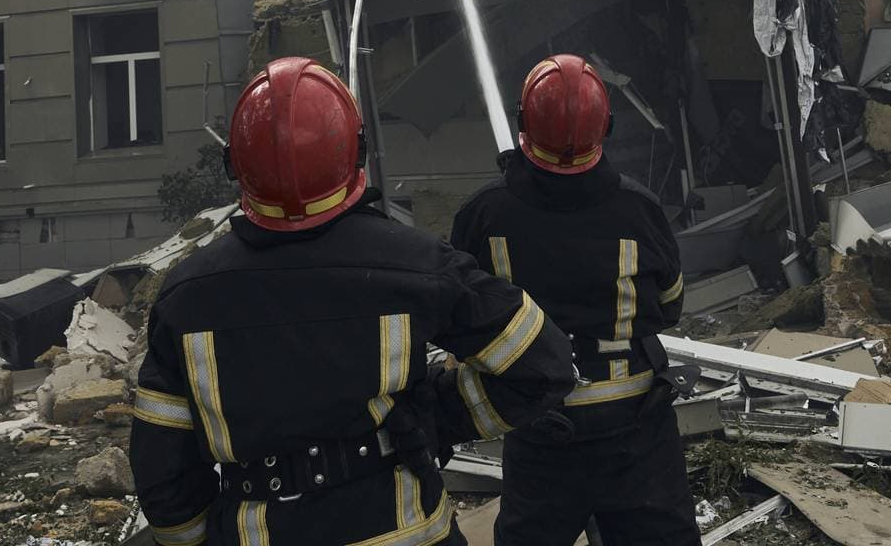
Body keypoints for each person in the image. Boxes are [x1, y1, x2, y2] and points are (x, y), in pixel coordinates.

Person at [130, 57, 576, 546]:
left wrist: (196, 537)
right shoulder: (415, 264)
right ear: (354, 152)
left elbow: (162, 470)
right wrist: (437, 418)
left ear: (235, 164)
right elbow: (543, 364)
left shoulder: (186, 295)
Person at [449, 54, 700, 546]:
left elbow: (461, 319)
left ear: (524, 124)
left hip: (540, 425)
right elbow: (669, 306)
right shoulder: (640, 208)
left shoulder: (485, 214)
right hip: (637, 433)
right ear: (604, 126)